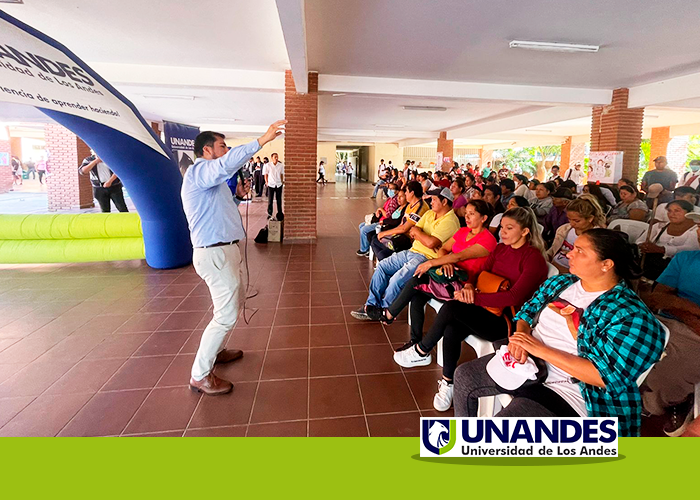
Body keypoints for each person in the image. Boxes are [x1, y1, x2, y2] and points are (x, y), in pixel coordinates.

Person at [452, 228, 666, 437]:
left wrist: (539, 349)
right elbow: (526, 312)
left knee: (499, 434)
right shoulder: (561, 283)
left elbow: (604, 377)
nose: (569, 253)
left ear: (606, 265)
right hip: (528, 363)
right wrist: (520, 337)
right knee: (464, 376)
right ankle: (465, 442)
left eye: (580, 251)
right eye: (573, 248)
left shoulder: (630, 315)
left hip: (572, 391)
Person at [393, 207, 548, 411]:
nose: (503, 232)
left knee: (451, 309)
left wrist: (474, 298)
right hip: (485, 309)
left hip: (508, 321)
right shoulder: (501, 250)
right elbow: (480, 273)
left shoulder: (533, 258)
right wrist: (468, 286)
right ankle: (448, 383)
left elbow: (514, 296)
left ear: (525, 231)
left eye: (510, 228)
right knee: (452, 328)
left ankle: (422, 350)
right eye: (502, 227)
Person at [181, 120, 285, 395]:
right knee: (225, 315)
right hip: (214, 253)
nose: (225, 150)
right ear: (207, 150)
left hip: (223, 250)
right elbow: (225, 165)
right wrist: (262, 140)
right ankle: (200, 375)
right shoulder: (199, 171)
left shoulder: (208, 181)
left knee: (231, 305)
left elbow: (217, 210)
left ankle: (217, 350)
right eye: (222, 146)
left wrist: (237, 198)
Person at [383, 199, 497, 349]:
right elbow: (444, 249)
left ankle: (389, 314)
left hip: (464, 285)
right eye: (466, 213)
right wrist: (446, 262)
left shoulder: (488, 240)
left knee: (417, 281)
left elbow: (459, 256)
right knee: (417, 294)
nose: (467, 217)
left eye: (472, 214)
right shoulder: (463, 231)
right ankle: (414, 341)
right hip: (448, 277)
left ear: (484, 218)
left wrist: (431, 263)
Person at [351, 187, 460, 321]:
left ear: (444, 202)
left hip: (426, 259)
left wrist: (420, 235)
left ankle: (384, 310)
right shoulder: (429, 214)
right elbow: (414, 230)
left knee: (397, 279)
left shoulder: (450, 221)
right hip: (412, 251)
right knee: (382, 266)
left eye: (434, 199)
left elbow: (431, 242)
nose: (431, 202)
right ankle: (371, 305)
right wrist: (423, 237)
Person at [640, 235, 700, 436]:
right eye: (699, 227)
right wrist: (691, 311)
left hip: (695, 335)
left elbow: (667, 298)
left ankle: (670, 402)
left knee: (668, 373)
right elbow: (656, 297)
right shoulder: (685, 259)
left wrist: (677, 303)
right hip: (666, 320)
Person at [636, 200, 700, 280]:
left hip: (677, 267)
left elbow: (690, 249)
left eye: (677, 211)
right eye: (669, 211)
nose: (672, 214)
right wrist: (643, 246)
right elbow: (639, 241)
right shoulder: (659, 226)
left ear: (689, 212)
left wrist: (662, 250)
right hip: (652, 262)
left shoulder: (696, 229)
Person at [547, 195, 606, 273]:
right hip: (553, 265)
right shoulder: (564, 230)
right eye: (569, 219)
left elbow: (593, 265)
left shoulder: (597, 237)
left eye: (576, 221)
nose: (572, 224)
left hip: (573, 273)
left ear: (590, 219)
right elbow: (552, 250)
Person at [357, 182, 399, 256]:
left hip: (383, 222)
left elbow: (387, 215)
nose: (389, 190)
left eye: (392, 189)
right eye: (389, 188)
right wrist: (379, 210)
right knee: (361, 225)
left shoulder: (394, 201)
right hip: (380, 218)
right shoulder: (390, 199)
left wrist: (380, 209)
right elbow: (384, 208)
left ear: (396, 191)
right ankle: (366, 246)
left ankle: (364, 250)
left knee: (364, 230)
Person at [264, 152, 284, 220]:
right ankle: (269, 213)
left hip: (278, 184)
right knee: (270, 200)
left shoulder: (280, 165)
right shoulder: (268, 165)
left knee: (279, 200)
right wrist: (266, 182)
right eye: (275, 157)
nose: (276, 158)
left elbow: (281, 174)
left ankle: (280, 213)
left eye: (277, 157)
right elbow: (266, 174)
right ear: (272, 158)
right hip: (271, 184)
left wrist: (281, 181)